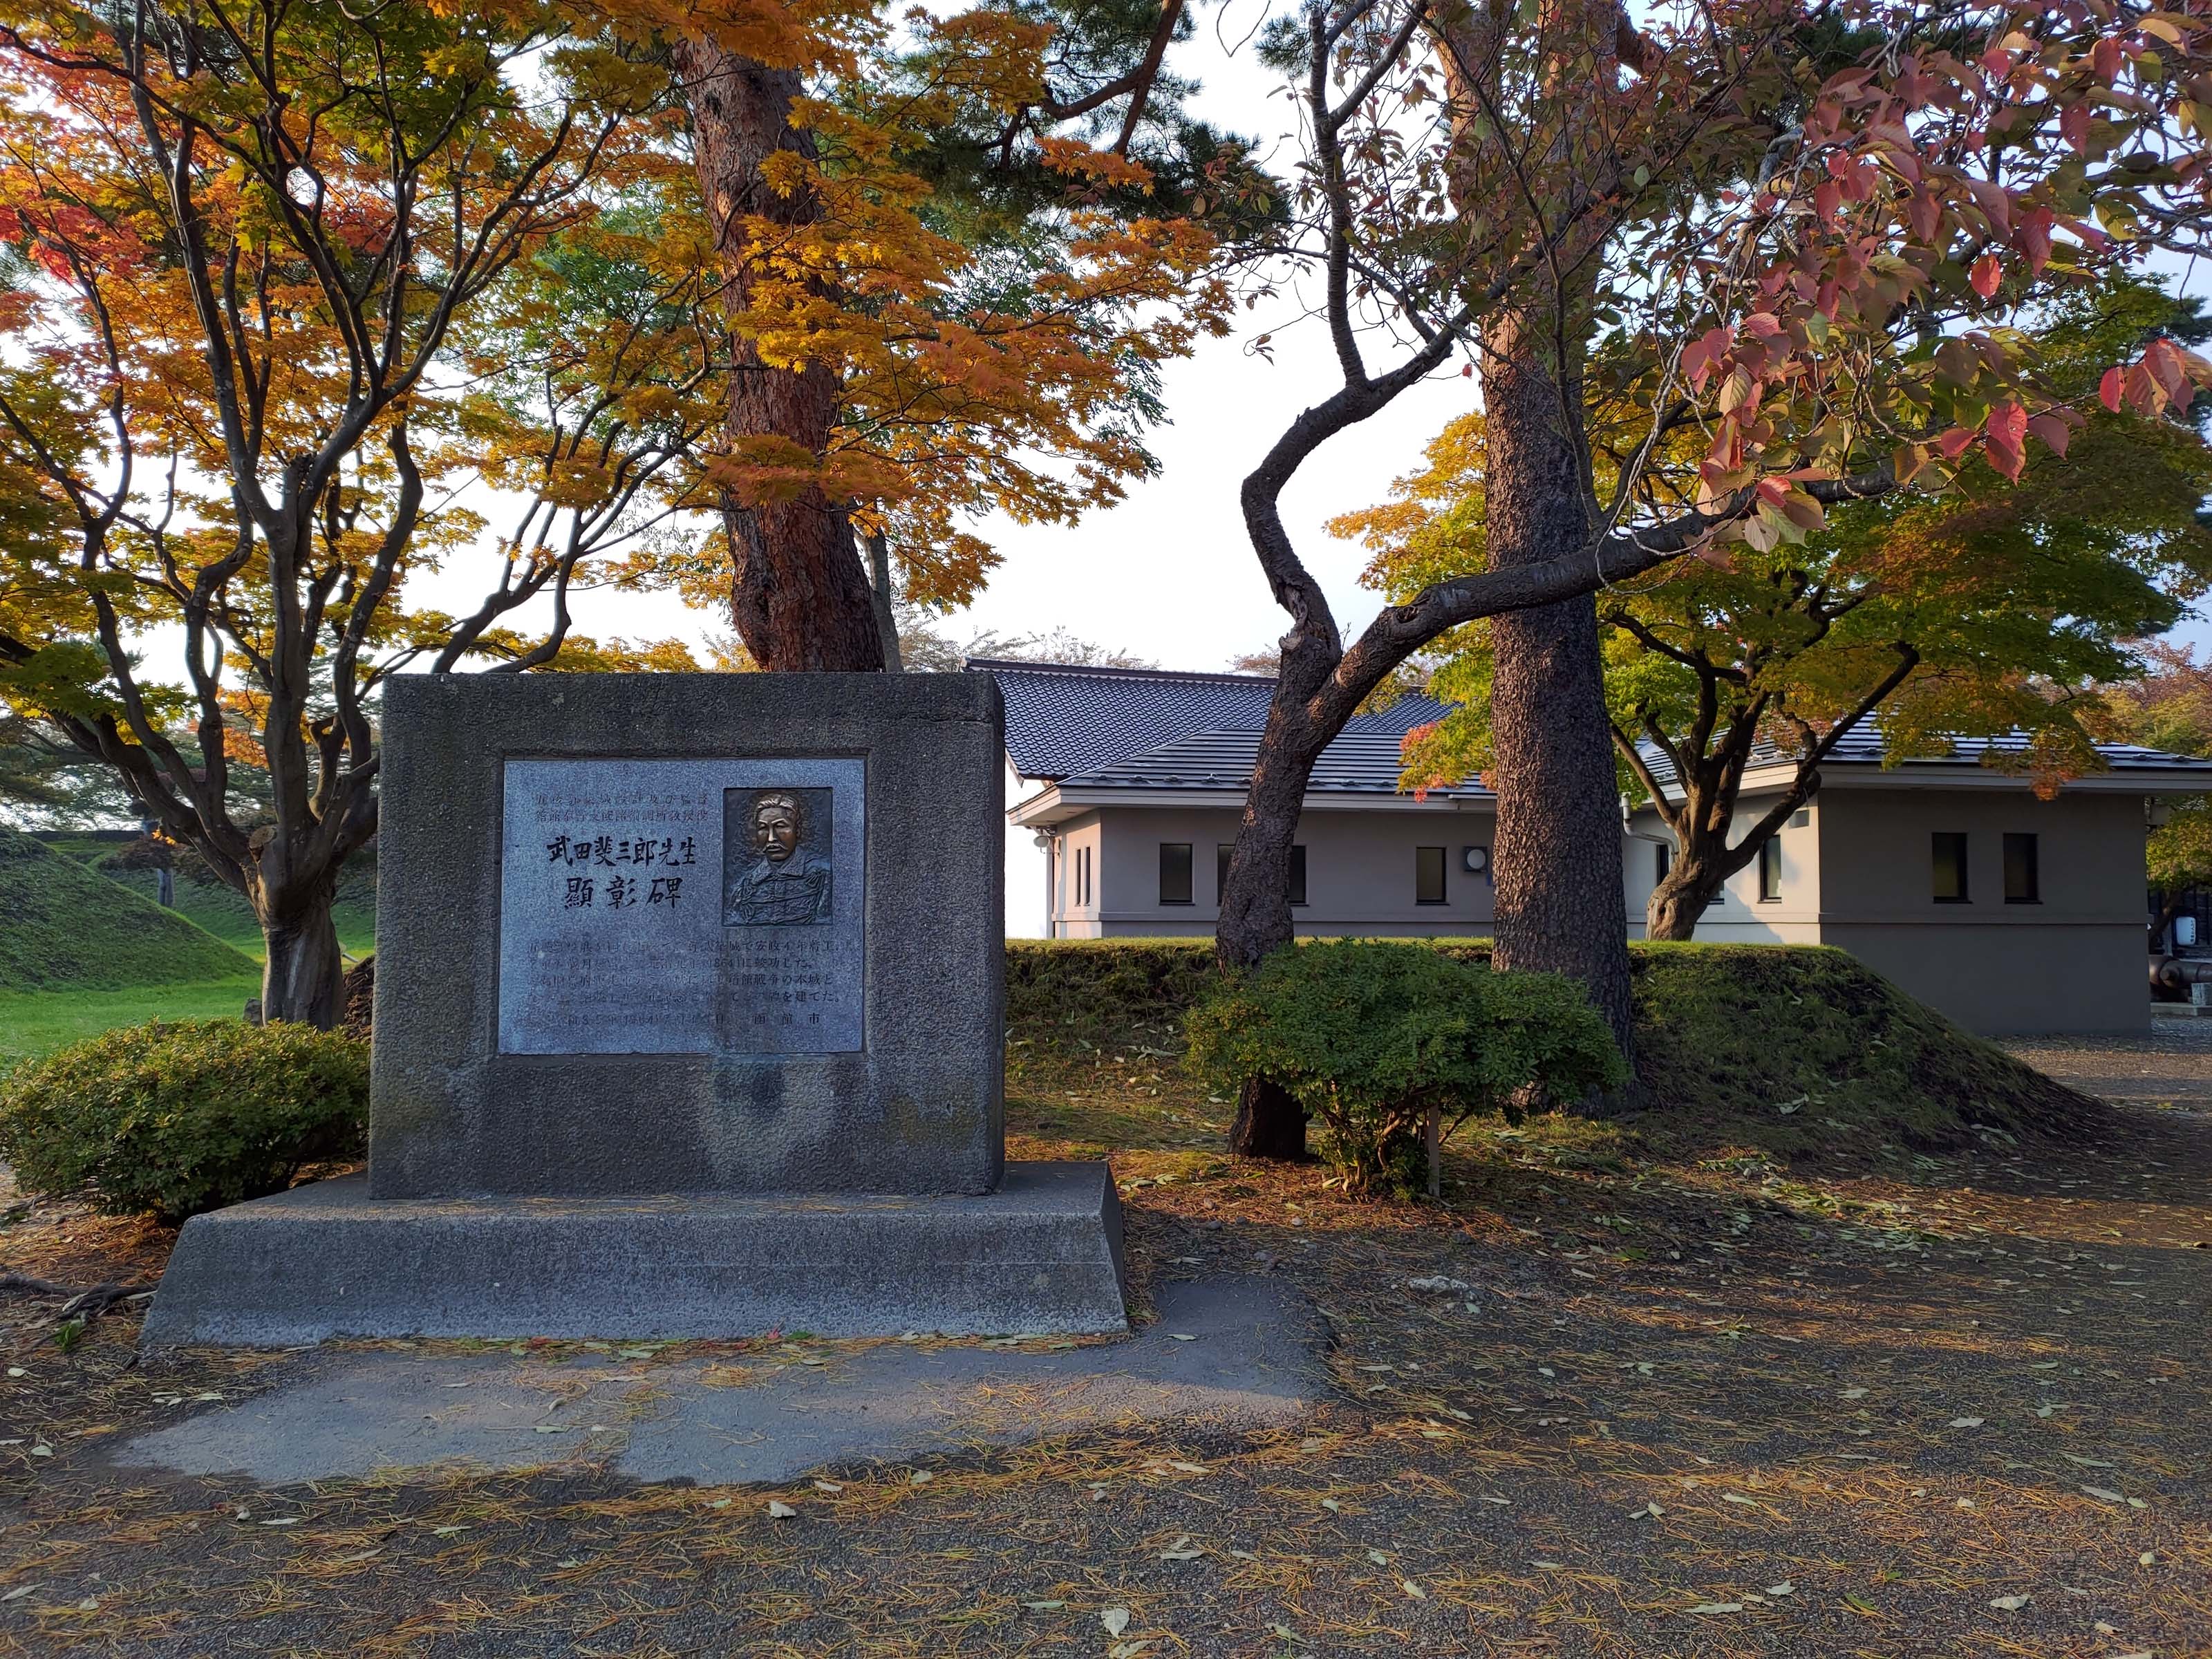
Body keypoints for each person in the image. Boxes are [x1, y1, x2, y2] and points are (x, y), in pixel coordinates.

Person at [724, 791, 832, 925]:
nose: (771, 838)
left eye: (780, 827)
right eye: (763, 828)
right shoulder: (745, 886)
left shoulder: (824, 876)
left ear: (797, 830)